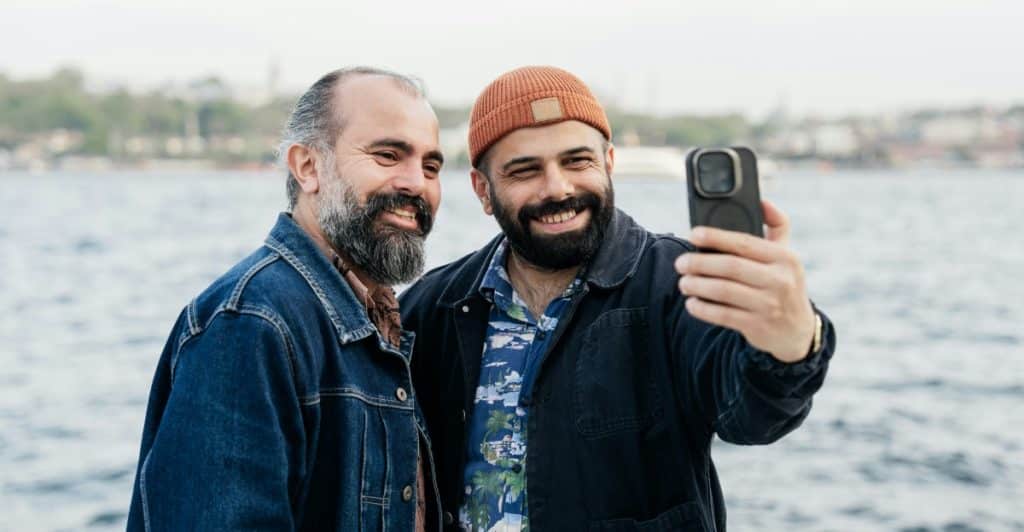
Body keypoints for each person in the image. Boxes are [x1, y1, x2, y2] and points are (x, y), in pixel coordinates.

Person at [400, 66, 836, 531]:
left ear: (609, 162)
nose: (557, 188)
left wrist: (792, 342)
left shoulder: (681, 282)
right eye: (525, 170)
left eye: (577, 162)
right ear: (483, 190)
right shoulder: (434, 308)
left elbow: (754, 416)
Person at [127, 66, 445, 531]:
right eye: (387, 155)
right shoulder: (251, 324)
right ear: (308, 167)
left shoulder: (378, 320)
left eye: (431, 166)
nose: (416, 183)